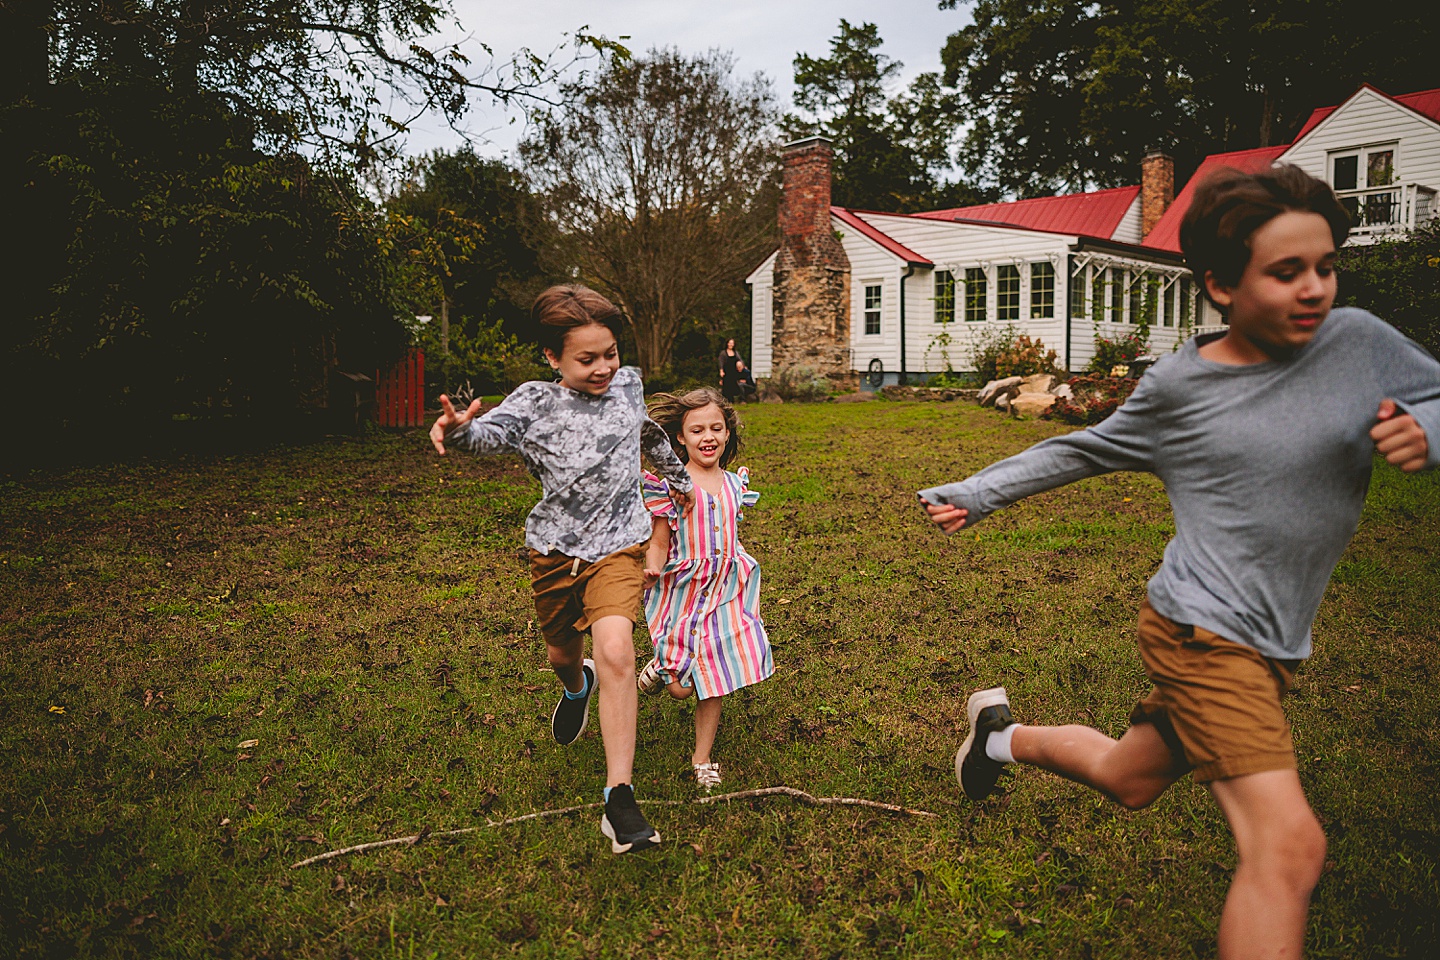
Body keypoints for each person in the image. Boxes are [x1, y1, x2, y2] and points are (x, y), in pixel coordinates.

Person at [917, 164, 1438, 960]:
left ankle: (995, 737)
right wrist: (979, 492)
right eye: (1286, 271)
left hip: (1273, 645)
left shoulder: (1358, 343)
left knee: (1130, 780)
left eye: (1326, 267)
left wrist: (1427, 430)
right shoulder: (1182, 388)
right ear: (1222, 286)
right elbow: (1084, 450)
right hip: (1200, 632)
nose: (1314, 290)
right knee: (1288, 846)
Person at [429, 283, 694, 855]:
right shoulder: (535, 402)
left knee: (619, 649)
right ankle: (577, 688)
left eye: (610, 353)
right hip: (555, 553)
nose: (604, 368)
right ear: (552, 357)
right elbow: (489, 437)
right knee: (562, 656)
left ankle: (619, 799)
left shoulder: (629, 384)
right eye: (587, 358)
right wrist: (458, 430)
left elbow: (644, 431)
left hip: (620, 546)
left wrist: (677, 479)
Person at [636, 387, 773, 791]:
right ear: (680, 437)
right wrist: (651, 567)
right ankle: (664, 668)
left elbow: (727, 533)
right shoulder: (673, 487)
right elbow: (660, 541)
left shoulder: (734, 484)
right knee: (680, 689)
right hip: (684, 588)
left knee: (714, 677)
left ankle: (702, 759)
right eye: (697, 430)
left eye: (716, 427)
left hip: (728, 589)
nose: (707, 436)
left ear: (728, 433)